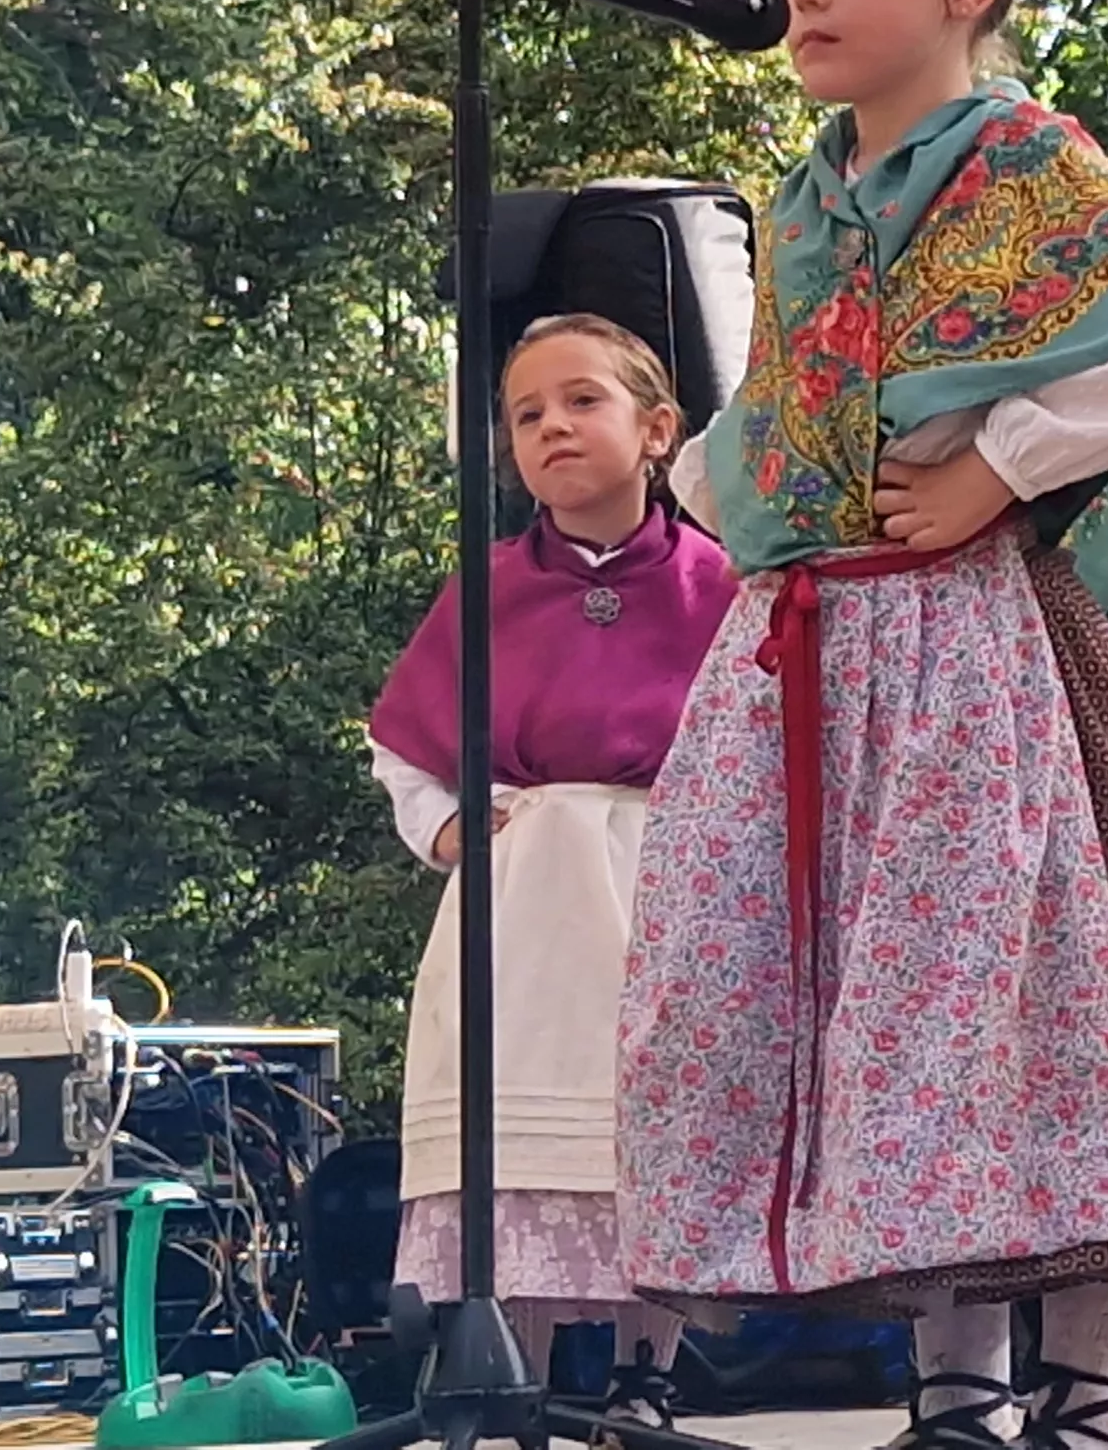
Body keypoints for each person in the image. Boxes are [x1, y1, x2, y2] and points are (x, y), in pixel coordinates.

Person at [615, 0, 1108, 1450]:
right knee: (868, 1006)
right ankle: (956, 1387)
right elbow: (787, 413)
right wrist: (709, 487)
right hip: (816, 649)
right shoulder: (805, 199)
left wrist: (1006, 454)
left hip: (977, 651)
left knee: (1031, 996)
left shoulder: (1024, 163)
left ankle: (1082, 1385)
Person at [367, 315, 736, 1425]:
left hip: (661, 887)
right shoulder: (483, 588)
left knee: (647, 1124)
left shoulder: (721, 584)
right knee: (510, 1132)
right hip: (518, 900)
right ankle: (502, 1372)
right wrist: (443, 831)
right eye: (527, 414)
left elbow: (760, 741)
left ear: (658, 429)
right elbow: (402, 744)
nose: (552, 428)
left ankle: (643, 1379)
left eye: (582, 401)